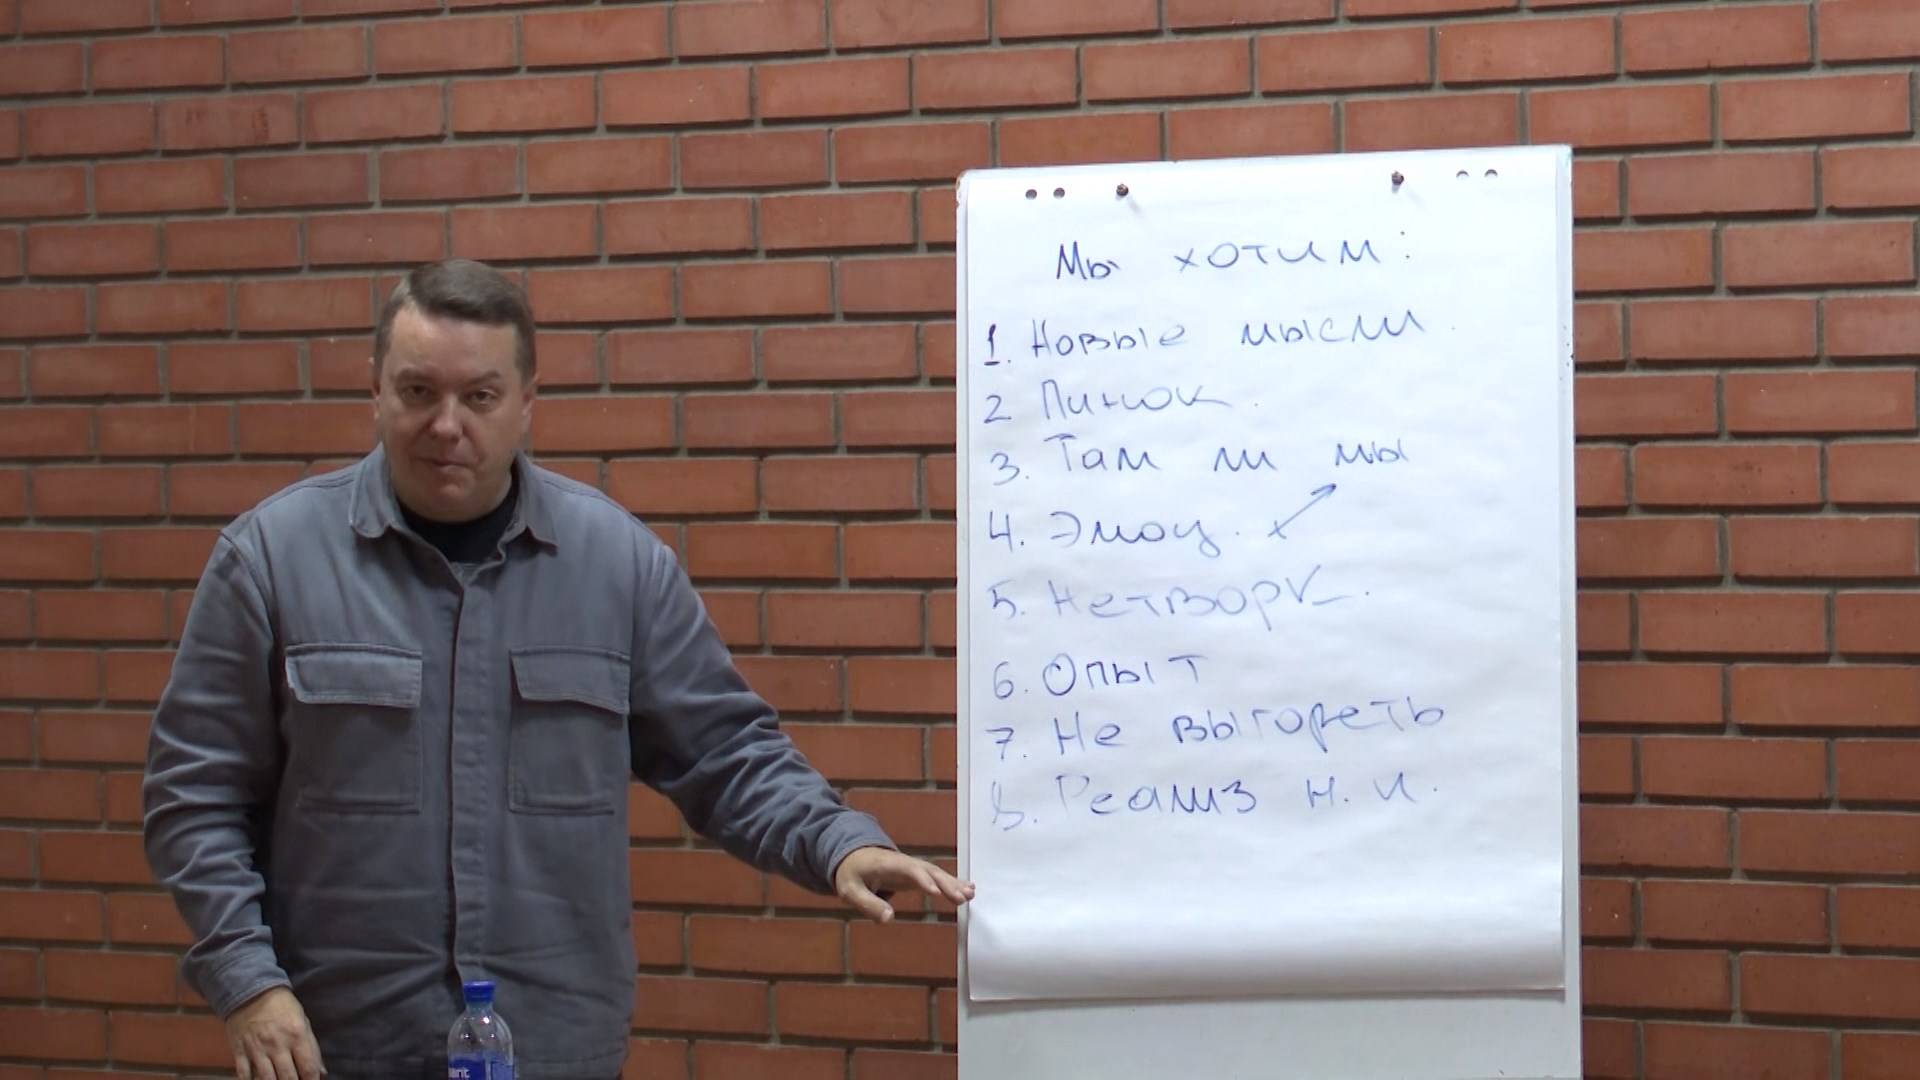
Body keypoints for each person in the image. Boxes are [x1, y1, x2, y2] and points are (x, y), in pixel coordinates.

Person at [142, 258, 974, 1080]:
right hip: (337, 1048)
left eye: (480, 396)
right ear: (376, 391)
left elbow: (726, 753)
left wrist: (835, 845)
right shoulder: (271, 562)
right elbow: (193, 796)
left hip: (555, 1045)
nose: (445, 425)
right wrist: (248, 981)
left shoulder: (617, 566)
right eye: (418, 391)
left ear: (527, 402)